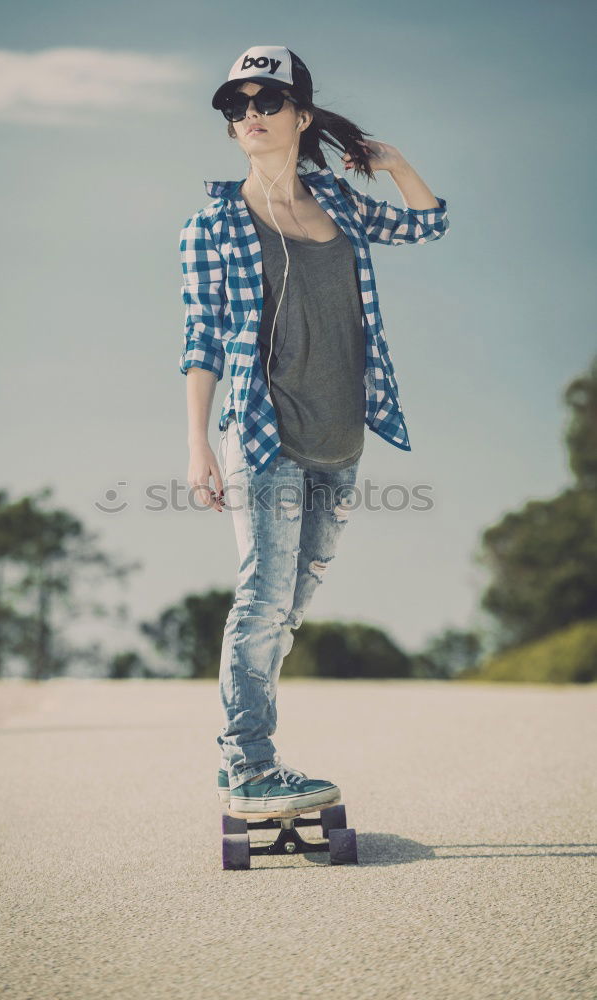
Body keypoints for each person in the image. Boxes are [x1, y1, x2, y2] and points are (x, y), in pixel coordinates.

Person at [178, 45, 450, 818]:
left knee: (288, 610)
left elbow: (430, 227)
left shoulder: (340, 202)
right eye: (237, 108)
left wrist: (393, 164)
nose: (250, 117)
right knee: (262, 599)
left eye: (266, 102)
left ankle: (246, 760)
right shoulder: (213, 224)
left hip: (342, 440)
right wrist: (197, 443)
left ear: (300, 113)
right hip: (262, 436)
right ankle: (250, 762)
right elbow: (201, 338)